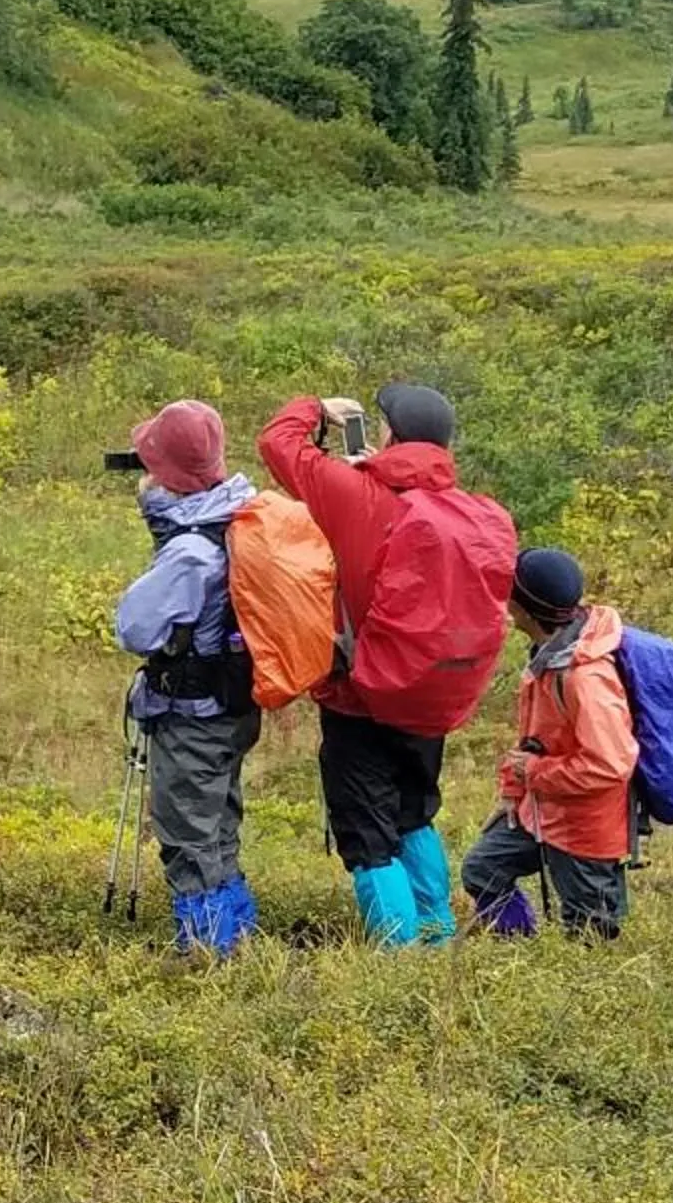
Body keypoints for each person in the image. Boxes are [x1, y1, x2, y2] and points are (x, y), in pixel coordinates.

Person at [257, 384, 517, 947]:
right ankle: (437, 930)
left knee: (369, 833)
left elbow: (278, 442)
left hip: (359, 696)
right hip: (432, 696)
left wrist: (315, 409)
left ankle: (398, 954)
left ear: (391, 437)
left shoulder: (352, 493)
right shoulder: (481, 513)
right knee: (414, 813)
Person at [111, 401, 262, 953]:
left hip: (194, 715)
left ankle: (206, 950)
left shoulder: (192, 551)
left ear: (165, 474)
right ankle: (236, 929)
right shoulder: (237, 518)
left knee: (187, 833)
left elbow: (135, 628)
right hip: (234, 708)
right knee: (219, 821)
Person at [464, 548, 639, 938]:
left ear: (526, 608)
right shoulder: (550, 657)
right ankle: (518, 951)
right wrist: (514, 789)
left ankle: (586, 992)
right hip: (541, 811)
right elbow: (535, 741)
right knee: (483, 869)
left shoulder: (584, 677)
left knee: (590, 937)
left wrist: (536, 774)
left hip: (586, 830)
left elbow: (610, 765)